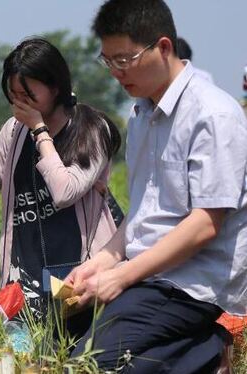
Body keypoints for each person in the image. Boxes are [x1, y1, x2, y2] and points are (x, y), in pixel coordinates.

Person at [67, 0, 247, 371]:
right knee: (59, 342)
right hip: (151, 275)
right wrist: (101, 261)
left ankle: (206, 347)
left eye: (125, 60)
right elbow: (143, 212)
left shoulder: (212, 114)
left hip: (190, 283)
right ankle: (201, 356)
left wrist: (122, 277)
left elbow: (205, 224)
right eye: (108, 61)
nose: (116, 72)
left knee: (89, 364)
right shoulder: (141, 116)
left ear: (163, 47)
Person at [0, 38, 122, 335]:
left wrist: (39, 130)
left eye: (28, 93)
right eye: (13, 95)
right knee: (28, 360)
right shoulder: (12, 132)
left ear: (55, 86)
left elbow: (65, 192)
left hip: (82, 276)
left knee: (79, 355)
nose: (19, 103)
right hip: (26, 280)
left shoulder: (91, 128)